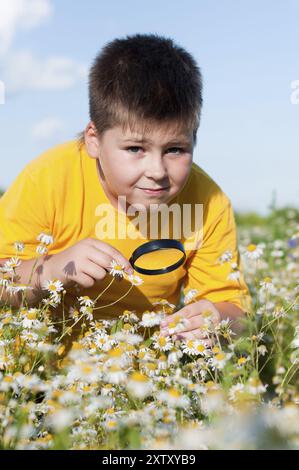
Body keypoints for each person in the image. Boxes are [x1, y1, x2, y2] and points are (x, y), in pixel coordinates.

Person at [0, 33, 252, 343]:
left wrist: (217, 319)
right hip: (39, 376)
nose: (157, 171)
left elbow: (238, 313)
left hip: (144, 380)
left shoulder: (208, 202)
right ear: (94, 139)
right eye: (135, 149)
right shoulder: (48, 178)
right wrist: (50, 271)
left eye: (175, 149)